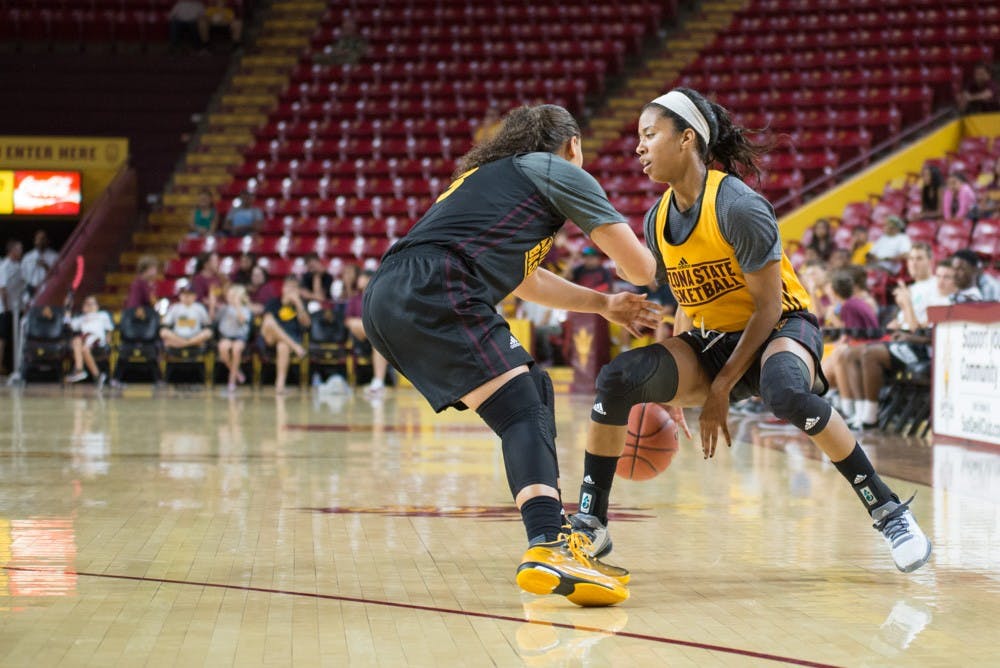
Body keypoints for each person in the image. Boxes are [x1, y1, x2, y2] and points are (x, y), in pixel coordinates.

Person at [567, 88, 931, 588]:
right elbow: (688, 303)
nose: (639, 148)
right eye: (638, 138)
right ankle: (591, 521)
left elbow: (766, 308)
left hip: (781, 326)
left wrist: (719, 391)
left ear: (687, 138)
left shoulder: (738, 206)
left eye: (649, 135)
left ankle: (889, 511)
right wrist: (673, 383)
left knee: (784, 391)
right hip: (715, 338)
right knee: (618, 378)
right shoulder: (656, 221)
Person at [362, 104, 660, 607]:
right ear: (570, 146)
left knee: (524, 399)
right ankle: (548, 543)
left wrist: (604, 305)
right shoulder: (557, 169)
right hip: (438, 283)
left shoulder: (491, 178)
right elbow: (640, 267)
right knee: (526, 402)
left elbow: (526, 280)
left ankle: (550, 536)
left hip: (388, 296)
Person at [840, 247, 954, 429]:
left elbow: (921, 327)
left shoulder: (937, 287)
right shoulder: (911, 287)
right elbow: (903, 321)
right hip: (903, 340)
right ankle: (857, 413)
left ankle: (870, 416)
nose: (914, 263)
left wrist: (906, 307)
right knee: (848, 354)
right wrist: (896, 321)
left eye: (919, 258)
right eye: (910, 259)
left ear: (930, 261)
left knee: (870, 354)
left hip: (919, 346)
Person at [344, 269, 390, 397]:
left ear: (370, 280)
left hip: (376, 339)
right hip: (359, 337)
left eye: (362, 277)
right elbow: (347, 321)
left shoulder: (379, 297)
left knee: (377, 343)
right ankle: (371, 332)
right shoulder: (354, 299)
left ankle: (378, 382)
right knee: (354, 323)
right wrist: (366, 325)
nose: (359, 280)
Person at [262, 277, 310, 394]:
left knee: (282, 346)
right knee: (269, 321)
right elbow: (267, 324)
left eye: (294, 288)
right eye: (288, 287)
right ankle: (296, 347)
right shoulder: (273, 302)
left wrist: (298, 304)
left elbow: (307, 325)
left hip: (289, 340)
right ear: (283, 289)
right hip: (270, 338)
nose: (291, 290)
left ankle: (280, 384)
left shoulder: (301, 305)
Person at [65, 295, 114, 388]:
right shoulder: (81, 318)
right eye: (87, 303)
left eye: (92, 303)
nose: (90, 306)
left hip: (97, 339)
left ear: (97, 306)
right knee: (76, 340)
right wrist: (67, 309)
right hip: (85, 339)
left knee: (84, 348)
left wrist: (109, 337)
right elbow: (69, 324)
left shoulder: (102, 315)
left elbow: (109, 329)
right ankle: (80, 370)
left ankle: (96, 375)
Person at [215, 284, 252, 393]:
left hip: (240, 336)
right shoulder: (224, 309)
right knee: (223, 348)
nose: (230, 298)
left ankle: (231, 381)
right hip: (226, 336)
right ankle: (236, 373)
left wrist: (237, 307)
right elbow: (214, 320)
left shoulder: (245, 309)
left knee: (236, 350)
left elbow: (242, 321)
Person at [160, 284, 213, 349]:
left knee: (208, 332)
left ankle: (182, 344)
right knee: (163, 332)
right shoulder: (175, 307)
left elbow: (208, 324)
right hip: (178, 336)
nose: (186, 297)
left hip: (195, 336)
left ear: (195, 296)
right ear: (180, 296)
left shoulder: (199, 307)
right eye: (184, 294)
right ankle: (189, 343)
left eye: (189, 294)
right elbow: (165, 324)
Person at [0, 239, 25, 376]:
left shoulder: (19, 266)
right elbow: (2, 289)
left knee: (13, 338)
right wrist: (6, 307)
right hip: (5, 309)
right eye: (19, 249)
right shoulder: (4, 266)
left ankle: (12, 367)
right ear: (12, 251)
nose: (21, 252)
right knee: (2, 337)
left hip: (17, 309)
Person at [21, 230, 59, 298]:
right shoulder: (28, 257)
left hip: (48, 293)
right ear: (35, 241)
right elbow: (22, 276)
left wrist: (46, 267)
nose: (40, 241)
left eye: (43, 239)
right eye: (38, 239)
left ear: (48, 241)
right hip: (31, 294)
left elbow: (59, 275)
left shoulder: (54, 256)